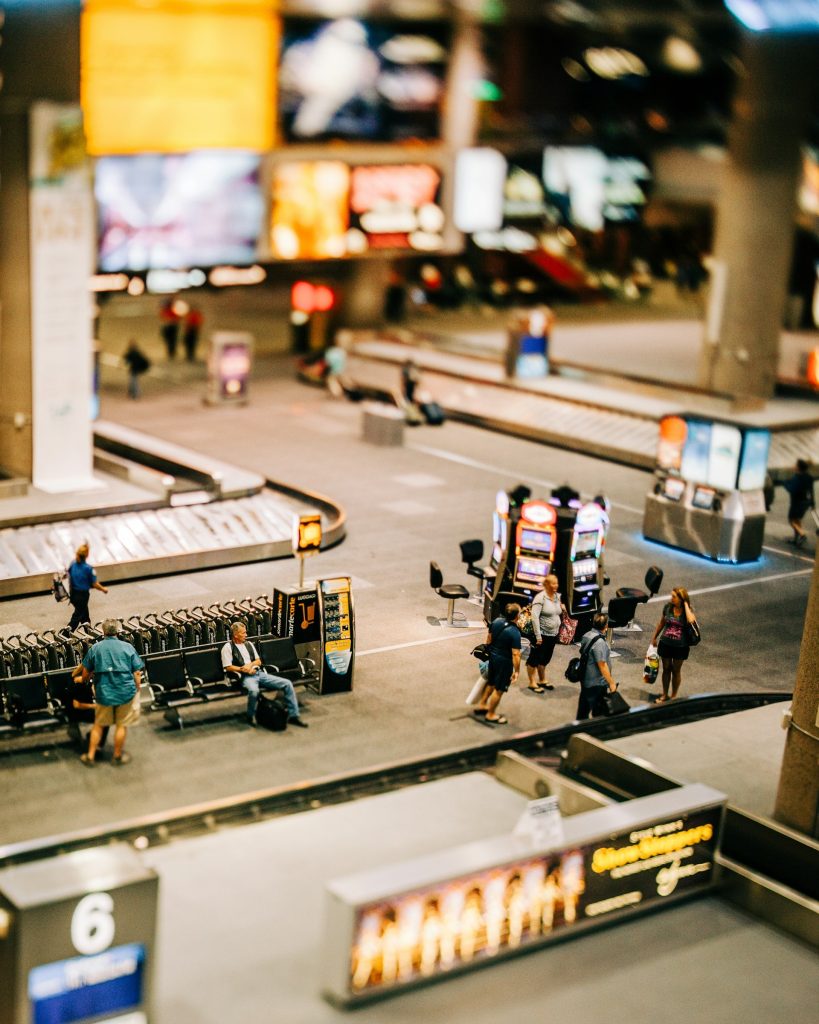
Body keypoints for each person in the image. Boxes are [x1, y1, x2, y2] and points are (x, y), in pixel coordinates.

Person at [80, 619, 143, 766]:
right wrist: (137, 687)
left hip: (104, 692)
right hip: (125, 693)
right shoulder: (128, 647)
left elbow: (85, 673)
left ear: (103, 632)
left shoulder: (95, 648)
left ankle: (90, 756)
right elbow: (137, 673)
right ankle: (117, 756)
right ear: (118, 632)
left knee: (99, 724)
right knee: (121, 725)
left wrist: (86, 680)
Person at [221, 621, 308, 728]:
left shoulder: (249, 644)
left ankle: (294, 715)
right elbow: (228, 666)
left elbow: (258, 661)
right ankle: (250, 715)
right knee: (254, 691)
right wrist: (244, 670)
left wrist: (250, 665)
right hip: (244, 677)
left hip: (258, 673)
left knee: (287, 684)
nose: (246, 635)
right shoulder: (227, 647)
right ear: (235, 635)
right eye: (243, 633)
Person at [474, 603, 522, 725]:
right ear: (517, 616)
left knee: (491, 682)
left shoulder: (496, 621)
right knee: (499, 689)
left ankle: (482, 704)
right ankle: (491, 714)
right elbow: (516, 654)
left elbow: (489, 638)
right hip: (504, 662)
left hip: (493, 658)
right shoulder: (515, 632)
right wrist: (517, 671)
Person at [650, 587, 698, 703]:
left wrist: (686, 605)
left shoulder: (688, 611)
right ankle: (664, 694)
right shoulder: (667, 608)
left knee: (676, 670)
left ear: (681, 599)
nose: (671, 598)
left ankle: (674, 696)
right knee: (666, 669)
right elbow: (661, 623)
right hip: (666, 643)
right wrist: (654, 637)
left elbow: (691, 621)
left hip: (680, 647)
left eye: (674, 596)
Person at [526, 574, 567, 693]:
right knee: (534, 659)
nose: (556, 586)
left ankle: (542, 680)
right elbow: (534, 618)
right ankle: (532, 682)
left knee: (545, 659)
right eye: (553, 583)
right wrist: (538, 636)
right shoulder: (540, 598)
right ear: (546, 585)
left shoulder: (556, 596)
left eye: (556, 583)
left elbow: (557, 612)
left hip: (553, 634)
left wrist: (562, 608)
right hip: (541, 635)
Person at [575, 611, 617, 720]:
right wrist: (611, 683)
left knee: (583, 710)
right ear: (606, 626)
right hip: (596, 683)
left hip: (586, 678)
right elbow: (602, 665)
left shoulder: (587, 635)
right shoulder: (600, 643)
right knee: (598, 713)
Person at [67, 543, 108, 630]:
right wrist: (103, 589)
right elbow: (94, 584)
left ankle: (89, 632)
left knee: (85, 616)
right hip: (82, 596)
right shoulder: (88, 568)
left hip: (73, 595)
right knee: (76, 617)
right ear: (87, 555)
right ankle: (65, 635)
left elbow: (67, 575)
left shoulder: (73, 564)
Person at [784, 458, 815, 547]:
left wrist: (785, 484)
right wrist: (812, 503)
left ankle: (802, 535)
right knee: (797, 520)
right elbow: (811, 491)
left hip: (796, 502)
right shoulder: (809, 477)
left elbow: (792, 490)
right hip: (806, 502)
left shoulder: (797, 477)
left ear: (798, 467)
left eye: (795, 465)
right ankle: (796, 539)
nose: (794, 466)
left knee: (791, 520)